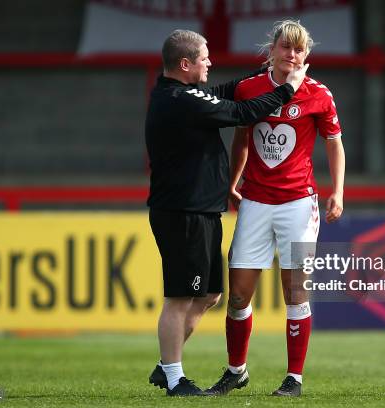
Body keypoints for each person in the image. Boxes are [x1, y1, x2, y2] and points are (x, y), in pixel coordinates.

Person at [145, 29, 308, 397]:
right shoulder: (181, 101)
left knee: (208, 296)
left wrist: (269, 73)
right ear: (185, 65)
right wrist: (287, 88)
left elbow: (228, 92)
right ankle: (174, 377)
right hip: (181, 211)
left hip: (201, 211)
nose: (210, 63)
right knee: (180, 297)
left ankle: (164, 366)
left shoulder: (184, 94)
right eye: (204, 58)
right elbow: (241, 112)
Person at [206, 20, 345, 397]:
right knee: (238, 296)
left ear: (307, 55)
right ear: (273, 49)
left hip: (299, 203)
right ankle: (237, 370)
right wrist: (233, 183)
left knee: (295, 292)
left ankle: (294, 378)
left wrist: (338, 192)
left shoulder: (319, 94)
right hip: (255, 202)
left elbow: (334, 143)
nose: (293, 55)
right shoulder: (249, 88)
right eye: (286, 47)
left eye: (300, 50)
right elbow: (241, 137)